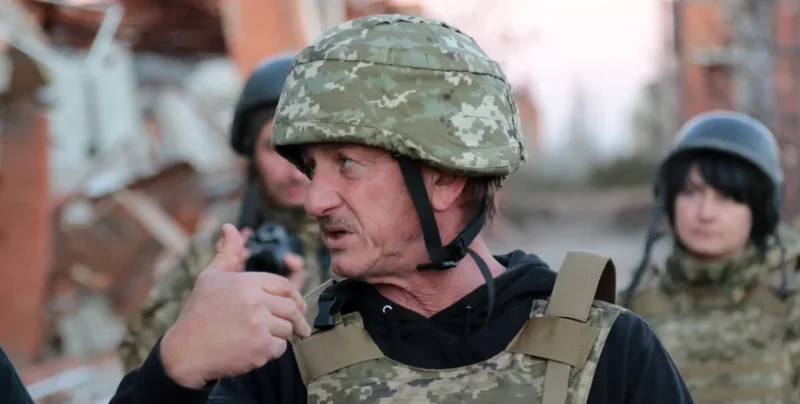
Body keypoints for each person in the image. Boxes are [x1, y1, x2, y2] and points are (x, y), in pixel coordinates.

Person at [109, 14, 693, 404]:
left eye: (347, 163)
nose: (314, 198)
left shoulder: (610, 352)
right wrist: (174, 371)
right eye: (312, 167)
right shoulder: (286, 359)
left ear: (444, 179)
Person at [116, 52, 331, 373]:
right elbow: (138, 366)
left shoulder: (369, 245)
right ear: (251, 156)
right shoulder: (212, 257)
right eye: (275, 148)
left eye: (307, 147)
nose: (294, 171)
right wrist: (213, 313)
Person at [622, 110, 800, 403]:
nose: (705, 213)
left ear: (761, 208)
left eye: (726, 197)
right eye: (691, 192)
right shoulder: (629, 315)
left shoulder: (792, 303)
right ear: (670, 200)